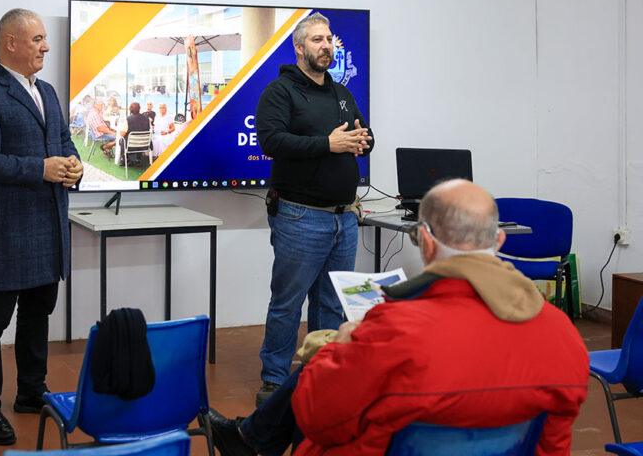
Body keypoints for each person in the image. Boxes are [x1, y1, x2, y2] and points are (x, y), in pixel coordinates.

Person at [208, 179, 589, 456]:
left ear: (424, 240)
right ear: (500, 241)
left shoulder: (392, 331)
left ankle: (248, 439)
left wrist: (338, 348)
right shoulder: (562, 334)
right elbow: (552, 445)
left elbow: (313, 415)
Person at [0, 8, 84, 446]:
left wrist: (73, 166)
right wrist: (41, 169)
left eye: (45, 39)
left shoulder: (46, 92)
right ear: (10, 43)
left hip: (48, 229)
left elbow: (65, 144)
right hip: (8, 233)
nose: (45, 47)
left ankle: (31, 392)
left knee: (38, 314)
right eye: (37, 40)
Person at [254, 12, 374, 404]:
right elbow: (271, 142)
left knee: (331, 302)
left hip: (344, 217)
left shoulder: (341, 93)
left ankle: (321, 372)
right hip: (300, 216)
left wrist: (363, 140)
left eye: (329, 40)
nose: (326, 46)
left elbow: (363, 132)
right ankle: (274, 379)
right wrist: (328, 144)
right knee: (288, 302)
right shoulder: (280, 92)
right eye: (317, 40)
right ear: (299, 47)